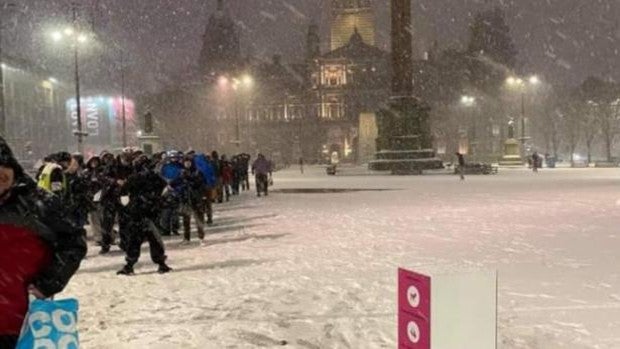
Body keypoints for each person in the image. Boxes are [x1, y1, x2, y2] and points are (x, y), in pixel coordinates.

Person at [0, 137, 87, 348]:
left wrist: (48, 283)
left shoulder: (37, 202)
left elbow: (73, 241)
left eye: (3, 172)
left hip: (25, 323)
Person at [117, 154, 172, 275]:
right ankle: (160, 263)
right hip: (149, 212)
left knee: (136, 240)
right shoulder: (154, 178)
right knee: (153, 239)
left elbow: (123, 193)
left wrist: (127, 206)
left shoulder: (135, 178)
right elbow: (166, 190)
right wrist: (157, 201)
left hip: (139, 212)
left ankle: (130, 264)